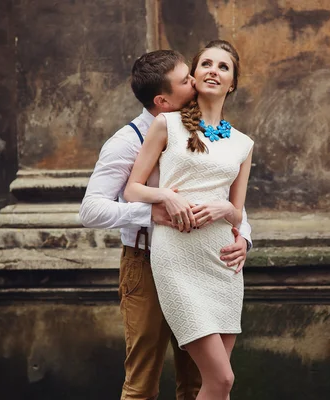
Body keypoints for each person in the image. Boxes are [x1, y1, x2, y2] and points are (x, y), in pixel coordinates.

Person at [80, 49, 253, 400]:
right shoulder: (128, 141)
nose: (198, 79)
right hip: (146, 261)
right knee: (142, 381)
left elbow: (225, 195)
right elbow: (91, 210)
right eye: (187, 79)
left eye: (217, 68)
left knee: (197, 382)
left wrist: (244, 238)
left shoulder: (226, 137)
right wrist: (154, 208)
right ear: (163, 99)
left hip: (208, 261)